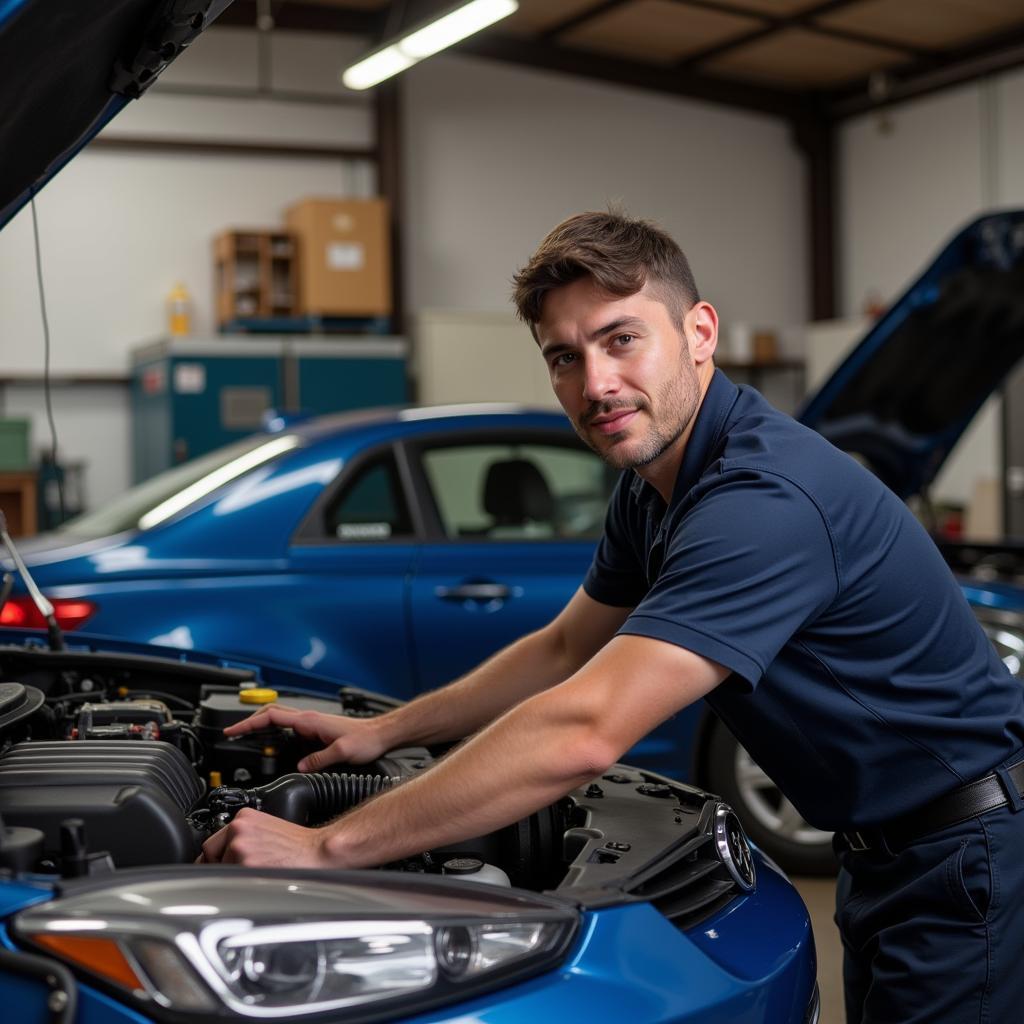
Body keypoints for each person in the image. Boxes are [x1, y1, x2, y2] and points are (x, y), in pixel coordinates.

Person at [200, 211, 1024, 1023]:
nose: (594, 384)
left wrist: (325, 848)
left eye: (621, 338)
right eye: (565, 356)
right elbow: (563, 649)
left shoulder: (762, 503)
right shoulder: (656, 488)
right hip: (887, 853)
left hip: (968, 856)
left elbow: (586, 729)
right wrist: (385, 733)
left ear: (699, 332)